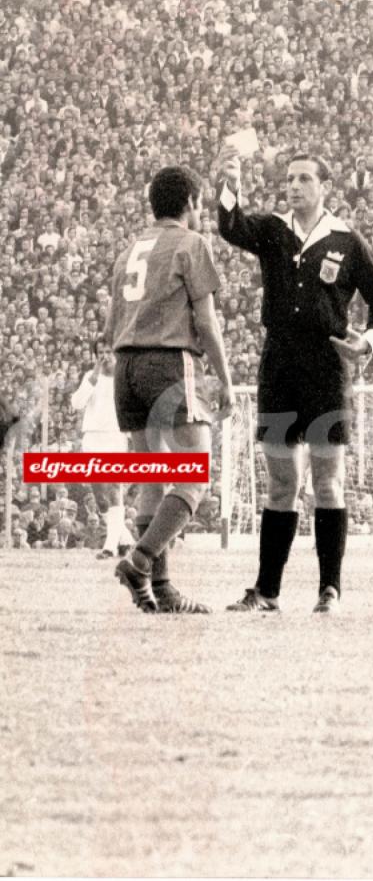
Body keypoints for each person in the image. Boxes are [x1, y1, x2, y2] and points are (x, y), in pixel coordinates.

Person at [217, 146, 373, 613]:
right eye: (290, 179)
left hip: (325, 370)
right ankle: (267, 592)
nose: (294, 186)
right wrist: (230, 182)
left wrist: (369, 341)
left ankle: (329, 590)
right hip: (278, 367)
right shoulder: (274, 231)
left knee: (327, 481)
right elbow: (230, 225)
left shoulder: (346, 240)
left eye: (304, 179)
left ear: (324, 187)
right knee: (281, 483)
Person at [104, 165, 234, 613]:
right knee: (194, 475)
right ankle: (139, 562)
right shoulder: (191, 243)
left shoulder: (128, 251)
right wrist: (226, 380)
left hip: (125, 367)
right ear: (192, 204)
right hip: (169, 363)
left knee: (151, 480)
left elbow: (110, 327)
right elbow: (207, 323)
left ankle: (160, 590)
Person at [71, 336, 135, 559]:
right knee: (100, 496)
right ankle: (125, 539)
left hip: (116, 437)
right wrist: (93, 379)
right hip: (92, 437)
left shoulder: (125, 377)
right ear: (96, 355)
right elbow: (76, 404)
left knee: (114, 488)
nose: (105, 356)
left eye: (109, 352)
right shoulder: (90, 377)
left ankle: (110, 546)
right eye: (101, 353)